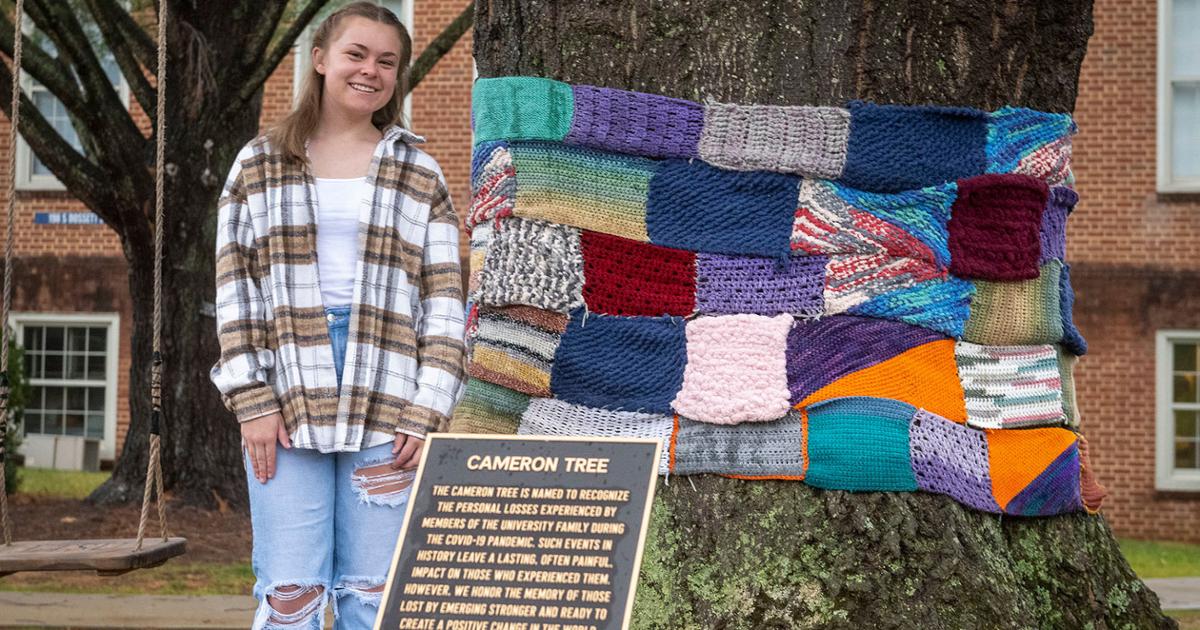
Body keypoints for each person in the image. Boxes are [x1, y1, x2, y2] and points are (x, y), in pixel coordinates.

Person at [209, 3, 465, 628]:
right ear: (320, 60)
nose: (370, 70)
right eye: (356, 54)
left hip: (390, 387)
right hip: (286, 385)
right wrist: (252, 399)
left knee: (375, 596)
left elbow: (444, 301)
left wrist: (429, 406)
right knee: (291, 594)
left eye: (387, 61)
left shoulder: (419, 172)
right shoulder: (258, 164)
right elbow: (236, 286)